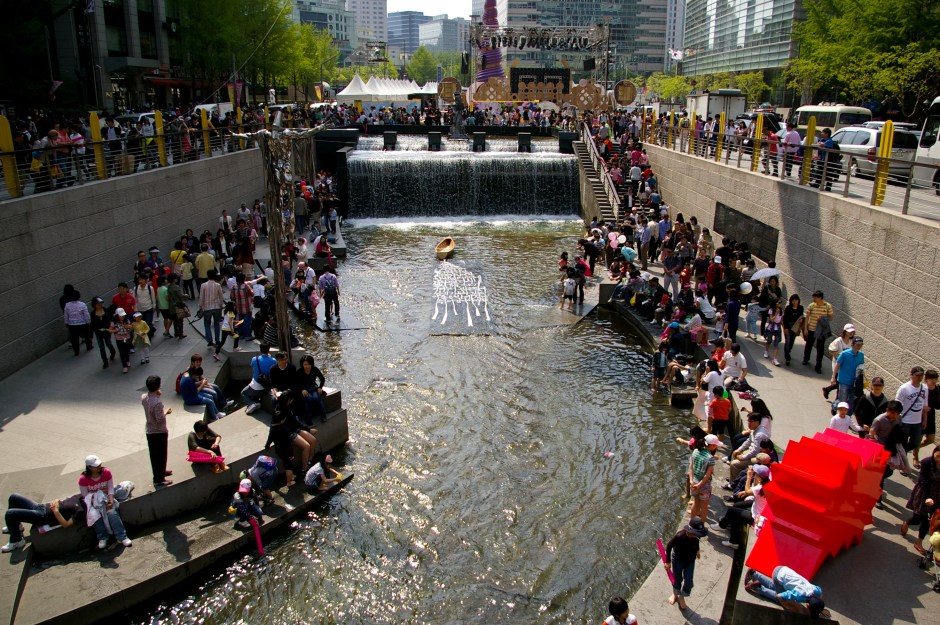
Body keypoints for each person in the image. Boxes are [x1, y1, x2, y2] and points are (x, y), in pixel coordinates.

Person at [78, 455, 132, 548]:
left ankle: (122, 537)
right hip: (93, 501)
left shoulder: (106, 472)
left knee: (112, 513)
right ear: (90, 467)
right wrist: (97, 496)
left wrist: (110, 500)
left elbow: (110, 487)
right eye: (96, 465)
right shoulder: (83, 479)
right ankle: (103, 537)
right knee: (95, 516)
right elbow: (85, 495)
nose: (99, 466)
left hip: (106, 498)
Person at [711, 464, 770, 549]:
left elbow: (747, 490)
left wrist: (749, 477)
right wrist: (746, 492)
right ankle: (733, 540)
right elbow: (751, 491)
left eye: (756, 474)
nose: (754, 474)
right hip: (757, 506)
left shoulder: (760, 488)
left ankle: (722, 525)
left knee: (732, 510)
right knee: (737, 506)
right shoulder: (766, 484)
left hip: (756, 516)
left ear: (759, 477)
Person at [2, 493, 84, 553]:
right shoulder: (81, 496)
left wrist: (56, 511)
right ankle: (16, 527)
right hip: (42, 507)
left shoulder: (82, 510)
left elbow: (66, 524)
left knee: (10, 514)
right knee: (13, 497)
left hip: (44, 516)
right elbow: (66, 501)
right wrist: (56, 500)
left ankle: (17, 541)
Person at [745, 565, 830, 618]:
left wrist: (819, 607)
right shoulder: (799, 595)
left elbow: (820, 593)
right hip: (778, 576)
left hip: (783, 570)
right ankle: (758, 588)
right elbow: (780, 596)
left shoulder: (815, 590)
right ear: (807, 605)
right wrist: (786, 604)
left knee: (775, 586)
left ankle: (753, 574)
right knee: (778, 597)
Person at [902, 445, 940, 555]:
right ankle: (907, 522)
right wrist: (928, 497)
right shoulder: (927, 462)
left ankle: (919, 542)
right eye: (937, 456)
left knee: (929, 520)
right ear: (934, 453)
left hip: (937, 495)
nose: (939, 459)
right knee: (917, 518)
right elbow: (923, 479)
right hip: (924, 492)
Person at [664, 517, 708, 610]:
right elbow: (669, 546)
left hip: (690, 561)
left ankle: (682, 596)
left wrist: (697, 551)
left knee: (688, 581)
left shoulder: (696, 537)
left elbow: (696, 543)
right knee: (677, 579)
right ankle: (675, 594)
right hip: (678, 560)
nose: (696, 536)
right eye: (693, 534)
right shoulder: (680, 536)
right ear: (688, 531)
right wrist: (667, 561)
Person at [141, 376, 173, 486]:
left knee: (155, 455)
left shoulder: (144, 397)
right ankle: (159, 479)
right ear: (158, 386)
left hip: (150, 430)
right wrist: (166, 413)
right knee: (161, 455)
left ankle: (161, 472)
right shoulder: (157, 403)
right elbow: (159, 419)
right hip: (159, 432)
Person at [897, 366, 930, 469]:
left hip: (917, 421)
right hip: (905, 420)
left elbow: (924, 406)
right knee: (903, 442)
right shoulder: (904, 388)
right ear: (911, 375)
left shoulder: (924, 388)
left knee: (915, 442)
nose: (919, 378)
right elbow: (898, 404)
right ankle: (903, 464)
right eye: (917, 375)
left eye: (921, 375)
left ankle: (900, 454)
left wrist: (925, 419)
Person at [689, 435, 722, 524]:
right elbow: (707, 476)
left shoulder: (695, 451)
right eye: (715, 445)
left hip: (694, 482)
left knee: (696, 503)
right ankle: (701, 526)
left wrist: (691, 481)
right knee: (704, 507)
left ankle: (691, 523)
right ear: (711, 445)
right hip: (704, 485)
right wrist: (699, 485)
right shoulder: (710, 458)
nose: (716, 447)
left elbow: (691, 467)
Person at [729, 413, 770, 480]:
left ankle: (733, 483)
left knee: (734, 464)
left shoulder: (760, 434)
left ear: (757, 422)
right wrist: (739, 449)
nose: (749, 423)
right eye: (748, 421)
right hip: (750, 451)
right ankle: (734, 477)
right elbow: (748, 441)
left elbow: (755, 451)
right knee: (735, 453)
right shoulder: (754, 430)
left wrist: (743, 457)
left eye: (751, 421)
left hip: (756, 457)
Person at [802, 290, 833, 374]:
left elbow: (831, 317)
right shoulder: (811, 306)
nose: (814, 299)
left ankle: (818, 366)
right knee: (809, 345)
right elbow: (807, 317)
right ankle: (806, 359)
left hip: (821, 330)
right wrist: (805, 329)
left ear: (820, 298)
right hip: (811, 329)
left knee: (820, 349)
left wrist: (822, 318)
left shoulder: (827, 306)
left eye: (815, 297)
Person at [297, 354, 327, 425]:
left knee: (316, 398)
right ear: (302, 364)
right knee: (309, 398)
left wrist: (320, 387)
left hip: (313, 387)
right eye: (305, 364)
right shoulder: (299, 371)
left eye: (308, 364)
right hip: (304, 389)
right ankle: (307, 418)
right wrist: (302, 390)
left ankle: (323, 415)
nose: (307, 366)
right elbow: (296, 383)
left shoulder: (315, 369)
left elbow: (322, 379)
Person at [199, 270, 225, 347]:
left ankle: (210, 340)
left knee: (207, 324)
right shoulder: (217, 285)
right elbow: (221, 296)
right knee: (217, 324)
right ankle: (217, 340)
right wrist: (221, 305)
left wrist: (200, 306)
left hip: (207, 308)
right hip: (217, 307)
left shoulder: (203, 285)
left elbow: (201, 297)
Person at [63, 290, 92, 356]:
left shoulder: (67, 305)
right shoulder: (82, 304)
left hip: (72, 324)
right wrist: (88, 321)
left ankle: (76, 351)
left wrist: (66, 322)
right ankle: (89, 346)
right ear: (79, 296)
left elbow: (66, 315)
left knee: (74, 338)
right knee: (86, 335)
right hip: (83, 323)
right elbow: (86, 314)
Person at [90, 297, 116, 368]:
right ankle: (105, 361)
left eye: (100, 303)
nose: (99, 305)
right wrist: (91, 335)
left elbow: (111, 319)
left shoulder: (106, 310)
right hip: (98, 332)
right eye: (98, 304)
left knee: (108, 343)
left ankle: (112, 351)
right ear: (94, 305)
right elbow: (92, 324)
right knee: (101, 347)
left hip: (106, 331)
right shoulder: (93, 313)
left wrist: (111, 327)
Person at [781, 294, 804, 366]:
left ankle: (788, 352)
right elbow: (785, 318)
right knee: (787, 342)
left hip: (795, 327)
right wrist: (785, 328)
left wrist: (801, 321)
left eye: (796, 300)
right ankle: (787, 357)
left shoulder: (801, 308)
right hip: (788, 326)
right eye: (793, 300)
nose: (794, 301)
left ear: (798, 300)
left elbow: (801, 316)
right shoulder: (788, 308)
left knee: (791, 342)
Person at [110, 308, 133, 373]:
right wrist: (115, 330)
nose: (122, 317)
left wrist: (128, 327)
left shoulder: (126, 320)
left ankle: (127, 360)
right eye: (121, 316)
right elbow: (110, 330)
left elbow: (131, 327)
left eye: (123, 315)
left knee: (126, 350)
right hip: (119, 339)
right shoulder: (113, 322)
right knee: (121, 352)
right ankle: (124, 366)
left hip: (126, 338)